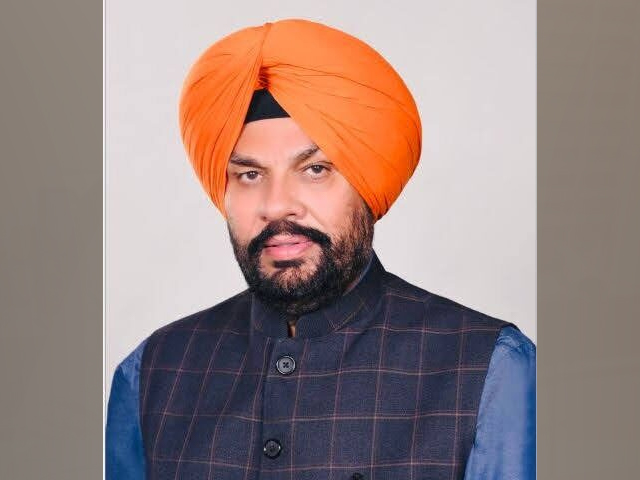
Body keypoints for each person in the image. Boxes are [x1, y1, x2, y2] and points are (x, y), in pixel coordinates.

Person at [106, 19, 535, 480]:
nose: (276, 206)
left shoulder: (488, 370)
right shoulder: (153, 373)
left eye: (315, 170)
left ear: (367, 184)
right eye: (249, 175)